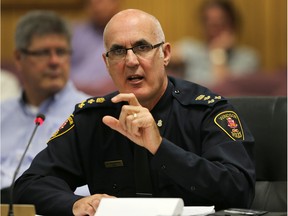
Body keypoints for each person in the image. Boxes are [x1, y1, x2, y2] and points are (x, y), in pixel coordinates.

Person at [14, 9, 255, 216]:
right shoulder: (94, 117)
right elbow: (29, 184)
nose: (130, 61)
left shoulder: (207, 110)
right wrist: (74, 203)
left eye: (142, 47)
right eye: (118, 51)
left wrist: (160, 148)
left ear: (166, 54)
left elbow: (239, 190)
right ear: (106, 63)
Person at [1, 10, 91, 202]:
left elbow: (90, 191)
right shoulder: (2, 113)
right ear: (18, 58)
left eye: (61, 52)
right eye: (43, 53)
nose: (54, 61)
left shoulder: (89, 114)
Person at [172, 0, 260, 87]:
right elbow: (163, 54)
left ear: (232, 24)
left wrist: (218, 52)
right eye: (209, 23)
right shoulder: (192, 48)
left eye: (220, 23)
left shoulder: (247, 58)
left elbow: (224, 87)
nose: (214, 30)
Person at [70, 0, 122, 96]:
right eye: (90, 2)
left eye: (100, 1)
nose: (95, 6)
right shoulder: (74, 33)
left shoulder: (127, 34)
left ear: (115, 2)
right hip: (74, 98)